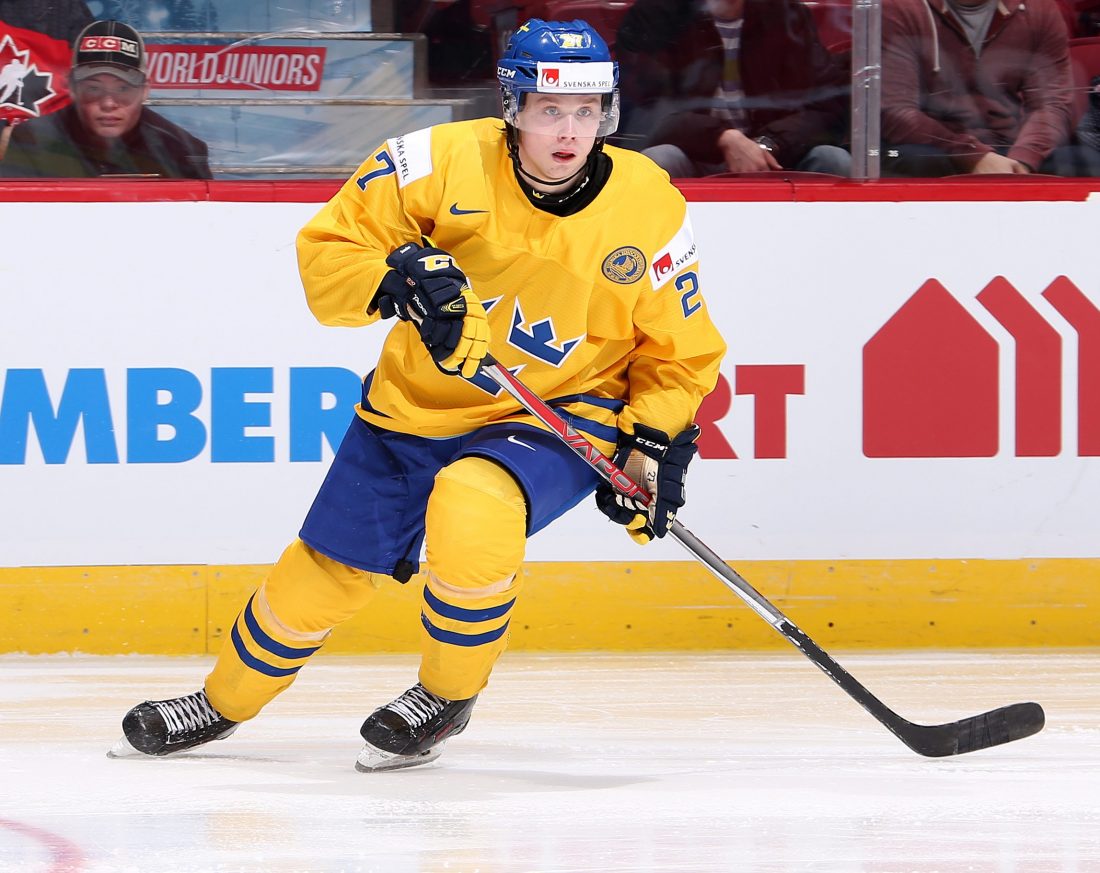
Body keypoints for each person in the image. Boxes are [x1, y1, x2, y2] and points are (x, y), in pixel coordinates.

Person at [108, 18, 727, 772]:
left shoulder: (647, 205)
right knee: (323, 573)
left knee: (474, 507)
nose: (570, 131)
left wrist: (654, 436)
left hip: (560, 406)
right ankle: (222, 701)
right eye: (550, 111)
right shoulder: (431, 161)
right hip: (412, 405)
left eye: (588, 111)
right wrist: (394, 277)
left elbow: (680, 347)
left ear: (609, 113)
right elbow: (329, 255)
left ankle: (445, 695)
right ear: (512, 107)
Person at [615, 0, 852, 177]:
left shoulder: (788, 17)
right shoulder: (656, 15)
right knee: (658, 161)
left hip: (777, 155)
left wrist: (768, 143)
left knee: (834, 161)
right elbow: (647, 113)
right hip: (694, 152)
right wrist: (723, 138)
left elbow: (827, 106)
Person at [881, 0, 1100, 176]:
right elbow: (896, 112)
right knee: (914, 159)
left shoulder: (1039, 8)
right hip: (928, 145)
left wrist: (1023, 159)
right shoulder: (899, 7)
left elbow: (1052, 103)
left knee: (1085, 161)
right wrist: (973, 156)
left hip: (1008, 148)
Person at [0, 19, 211, 178]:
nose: (108, 103)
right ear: (72, 88)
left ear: (145, 90)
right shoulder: (29, 140)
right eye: (93, 88)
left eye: (123, 88)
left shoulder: (181, 151)